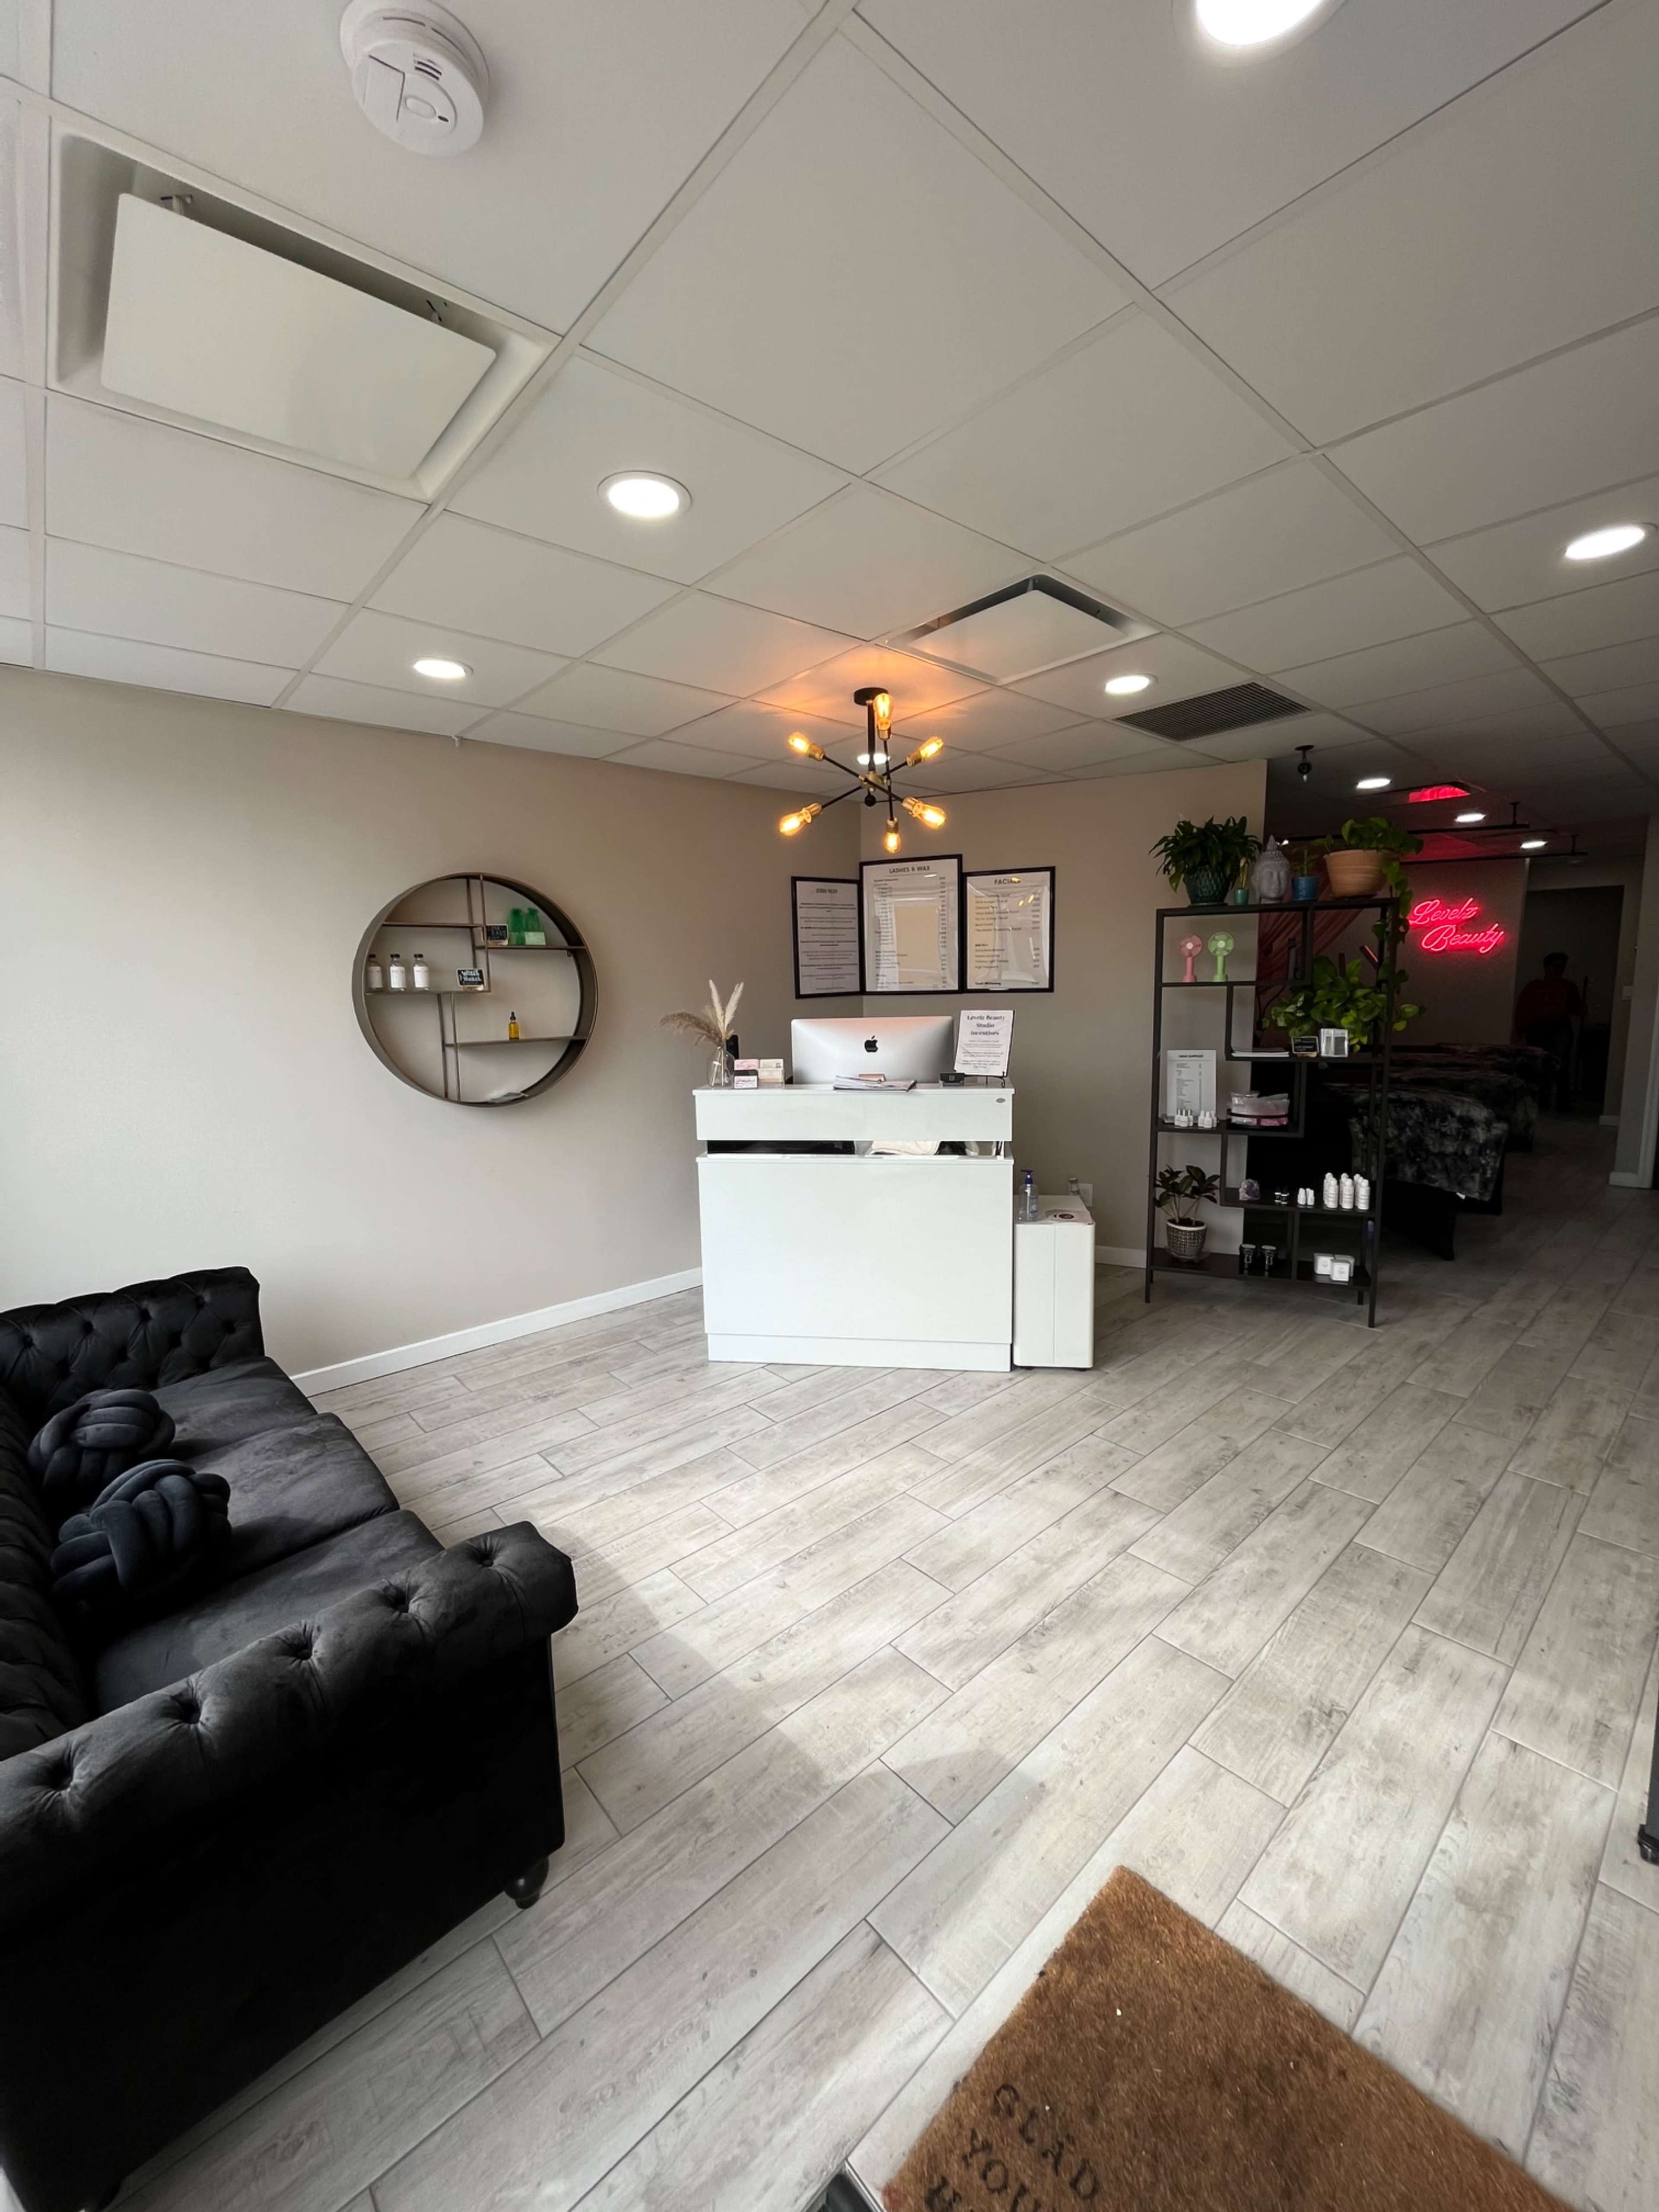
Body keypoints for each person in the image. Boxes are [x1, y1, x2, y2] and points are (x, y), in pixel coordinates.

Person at [1514, 952, 1582, 1107]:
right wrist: (1520, 1030)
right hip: (1538, 1028)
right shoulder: (1534, 987)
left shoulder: (1569, 987)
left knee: (1561, 1065)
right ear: (1547, 967)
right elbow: (1523, 1009)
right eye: (1555, 967)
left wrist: (1581, 1008)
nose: (1559, 970)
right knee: (1538, 1065)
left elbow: (1577, 1008)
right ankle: (1541, 1100)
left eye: (1562, 967)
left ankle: (1562, 1101)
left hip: (1560, 1028)